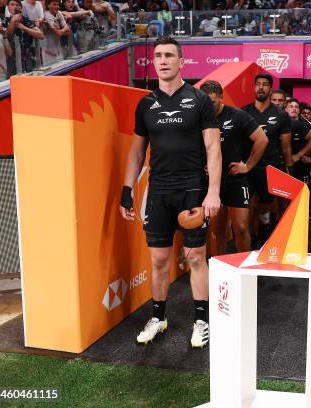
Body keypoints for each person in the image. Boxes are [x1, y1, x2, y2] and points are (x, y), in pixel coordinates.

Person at [120, 37, 221, 348]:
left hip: (192, 188)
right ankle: (159, 316)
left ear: (181, 61)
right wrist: (127, 189)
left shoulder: (199, 100)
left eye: (169, 56)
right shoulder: (146, 104)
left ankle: (201, 320)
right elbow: (137, 153)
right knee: (159, 260)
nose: (162, 61)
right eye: (158, 56)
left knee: (195, 257)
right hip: (159, 190)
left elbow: (213, 147)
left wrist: (213, 192)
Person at [199, 80, 268, 255]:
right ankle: (221, 273)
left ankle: (244, 269)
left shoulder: (237, 115)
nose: (208, 106)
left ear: (221, 98)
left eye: (212, 102)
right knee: (217, 231)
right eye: (205, 102)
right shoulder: (197, 118)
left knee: (242, 228)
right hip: (212, 182)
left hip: (236, 179)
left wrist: (248, 166)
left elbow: (262, 140)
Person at [242, 73, 292, 247]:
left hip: (271, 167)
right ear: (254, 87)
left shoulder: (281, 114)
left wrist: (289, 169)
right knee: (248, 206)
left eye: (264, 84)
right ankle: (251, 240)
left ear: (270, 89)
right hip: (247, 167)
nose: (261, 87)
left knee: (265, 207)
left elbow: (286, 146)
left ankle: (265, 234)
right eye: (257, 84)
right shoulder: (243, 112)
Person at [285, 97, 311, 186]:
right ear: (285, 109)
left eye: (296, 107)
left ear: (299, 111)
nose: (294, 109)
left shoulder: (302, 123)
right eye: (291, 106)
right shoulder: (282, 122)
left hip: (300, 164)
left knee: (301, 193)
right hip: (283, 163)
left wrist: (307, 156)